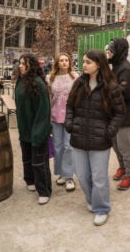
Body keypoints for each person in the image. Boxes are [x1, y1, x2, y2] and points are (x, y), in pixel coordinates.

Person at [65, 50, 125, 226]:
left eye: (88, 62)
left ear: (98, 64)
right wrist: (70, 124)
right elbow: (70, 106)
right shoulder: (79, 83)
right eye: (83, 61)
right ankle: (91, 199)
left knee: (99, 177)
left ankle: (101, 208)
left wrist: (109, 131)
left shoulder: (110, 86)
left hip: (100, 140)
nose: (84, 65)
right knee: (83, 176)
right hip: (78, 138)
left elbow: (119, 112)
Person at [15, 53, 52, 205]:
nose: (20, 66)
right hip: (25, 129)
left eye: (23, 63)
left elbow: (43, 111)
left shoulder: (38, 84)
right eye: (20, 63)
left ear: (32, 66)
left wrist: (38, 133)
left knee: (39, 162)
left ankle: (44, 190)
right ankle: (29, 180)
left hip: (37, 131)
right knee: (27, 158)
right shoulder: (20, 81)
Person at [107, 38, 130, 190]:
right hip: (113, 113)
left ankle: (129, 175)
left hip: (124, 114)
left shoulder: (126, 69)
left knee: (125, 145)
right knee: (115, 144)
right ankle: (122, 167)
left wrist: (107, 89)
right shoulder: (115, 66)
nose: (109, 53)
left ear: (119, 51)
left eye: (111, 50)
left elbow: (124, 91)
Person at [49, 52, 77, 192]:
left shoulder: (75, 77)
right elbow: (49, 98)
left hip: (69, 117)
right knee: (58, 146)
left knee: (68, 146)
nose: (64, 62)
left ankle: (69, 176)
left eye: (67, 60)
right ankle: (61, 173)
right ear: (57, 63)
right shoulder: (51, 78)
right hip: (55, 116)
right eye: (61, 60)